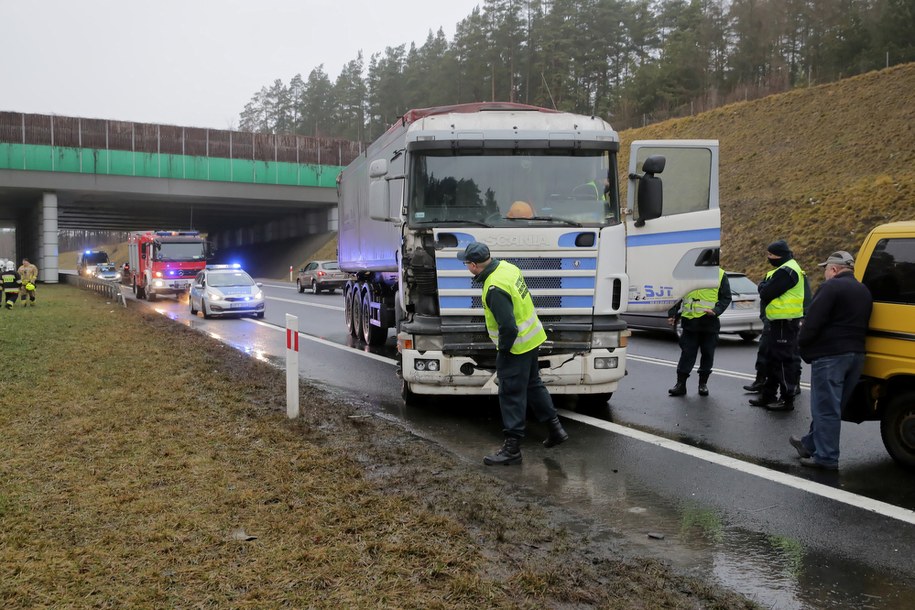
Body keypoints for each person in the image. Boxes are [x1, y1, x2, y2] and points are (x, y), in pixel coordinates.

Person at [458, 241, 568, 465]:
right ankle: (555, 429)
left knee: (510, 394)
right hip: (532, 338)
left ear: (474, 265)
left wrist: (505, 351)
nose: (466, 266)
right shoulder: (507, 268)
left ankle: (512, 449)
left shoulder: (493, 288)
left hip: (516, 346)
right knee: (533, 385)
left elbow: (508, 326)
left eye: (466, 263)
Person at [789, 251, 872, 470]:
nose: (825, 274)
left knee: (825, 409)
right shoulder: (863, 290)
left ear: (834, 269)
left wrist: (802, 345)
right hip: (857, 356)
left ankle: (826, 458)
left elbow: (812, 322)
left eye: (826, 269)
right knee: (833, 407)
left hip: (831, 356)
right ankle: (809, 444)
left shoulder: (831, 287)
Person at [749, 240, 806, 411]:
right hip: (778, 322)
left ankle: (787, 399)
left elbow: (766, 292)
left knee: (783, 362)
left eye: (771, 254)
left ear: (780, 255)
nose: (768, 257)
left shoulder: (787, 271)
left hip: (784, 323)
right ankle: (768, 396)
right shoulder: (784, 269)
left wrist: (762, 286)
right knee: (773, 360)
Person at [667, 268, 732, 397]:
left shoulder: (720, 274)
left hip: (709, 322)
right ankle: (680, 384)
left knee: (707, 353)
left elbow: (726, 297)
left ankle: (703, 384)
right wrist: (672, 314)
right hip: (690, 323)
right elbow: (677, 296)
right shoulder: (687, 273)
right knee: (687, 354)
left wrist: (716, 310)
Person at [744, 272, 811, 394]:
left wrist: (803, 318)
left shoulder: (795, 273)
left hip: (790, 321)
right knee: (765, 350)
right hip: (772, 320)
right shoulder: (772, 273)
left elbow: (806, 299)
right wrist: (764, 317)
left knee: (791, 354)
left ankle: (793, 384)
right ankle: (761, 380)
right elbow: (765, 297)